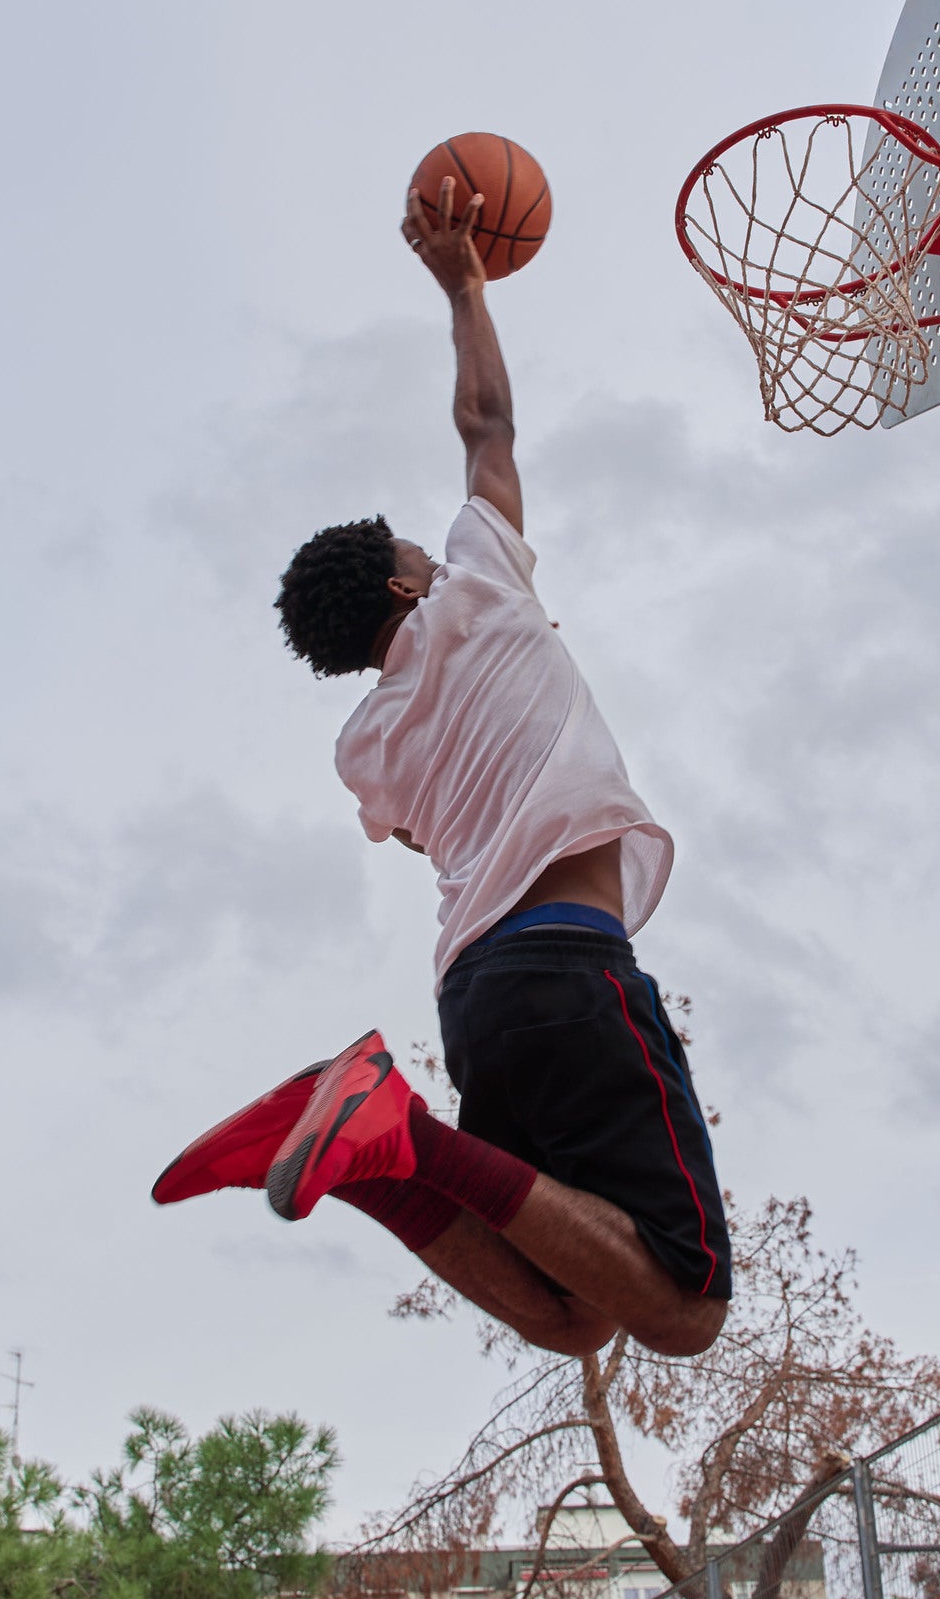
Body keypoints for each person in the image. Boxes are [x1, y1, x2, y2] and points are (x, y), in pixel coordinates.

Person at [152, 178, 729, 1359]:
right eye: (415, 541)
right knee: (681, 1305)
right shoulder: (479, 580)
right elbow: (487, 429)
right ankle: (399, 1134)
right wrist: (465, 283)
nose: (432, 533)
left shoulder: (363, 747)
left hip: (477, 997)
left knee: (573, 1311)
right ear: (410, 579)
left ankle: (367, 1152)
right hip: (569, 967)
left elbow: (425, 832)